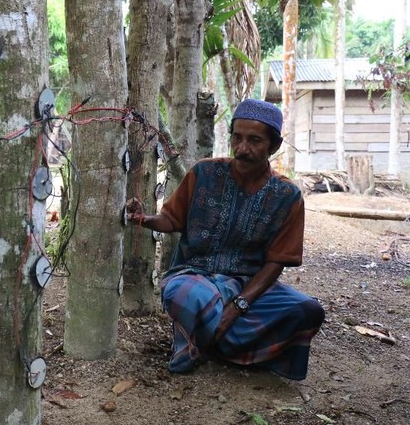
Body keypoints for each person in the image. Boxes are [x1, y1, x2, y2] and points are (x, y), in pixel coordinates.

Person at [126, 98, 324, 380]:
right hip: (197, 275)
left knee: (306, 310)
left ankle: (209, 341)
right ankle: (217, 341)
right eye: (237, 138)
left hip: (250, 287)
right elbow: (172, 220)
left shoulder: (287, 195)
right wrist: (143, 219)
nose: (243, 149)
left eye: (255, 140)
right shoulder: (203, 173)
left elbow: (276, 262)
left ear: (274, 146)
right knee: (185, 294)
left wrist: (239, 305)